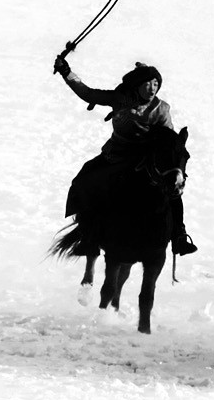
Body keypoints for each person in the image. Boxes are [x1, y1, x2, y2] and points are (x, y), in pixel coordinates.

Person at [53, 51, 196, 252]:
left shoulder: (161, 109)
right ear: (137, 85)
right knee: (86, 177)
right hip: (117, 153)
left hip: (145, 157)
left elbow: (167, 138)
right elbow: (89, 94)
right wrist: (66, 72)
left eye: (156, 84)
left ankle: (179, 235)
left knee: (172, 192)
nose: (152, 88)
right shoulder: (119, 99)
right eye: (147, 83)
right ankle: (86, 229)